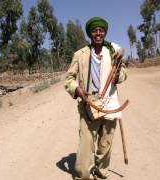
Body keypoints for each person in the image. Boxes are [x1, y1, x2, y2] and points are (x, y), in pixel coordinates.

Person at [65, 17, 127, 180]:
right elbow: (69, 79)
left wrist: (118, 75)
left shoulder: (113, 51)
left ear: (105, 32)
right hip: (89, 104)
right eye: (94, 30)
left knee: (105, 144)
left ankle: (101, 172)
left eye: (101, 30)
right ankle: (83, 175)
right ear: (90, 34)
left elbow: (124, 74)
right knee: (86, 145)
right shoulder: (80, 54)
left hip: (110, 103)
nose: (98, 33)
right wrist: (77, 89)